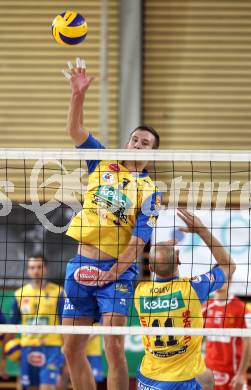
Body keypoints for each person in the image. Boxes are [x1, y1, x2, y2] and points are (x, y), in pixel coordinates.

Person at [61, 57, 161, 390]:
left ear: (153, 154)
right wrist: (78, 95)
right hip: (81, 264)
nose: (138, 145)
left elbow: (138, 241)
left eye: (145, 144)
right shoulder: (103, 159)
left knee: (113, 346)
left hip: (118, 272)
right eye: (135, 139)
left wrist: (113, 272)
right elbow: (75, 131)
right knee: (71, 348)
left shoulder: (150, 192)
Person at [134, 208, 236, 390]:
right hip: (180, 381)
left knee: (207, 377)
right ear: (179, 259)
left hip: (147, 378)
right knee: (206, 377)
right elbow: (229, 266)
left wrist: (160, 250)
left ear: (149, 267)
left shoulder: (140, 292)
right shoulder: (193, 289)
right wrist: (202, 230)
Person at [10, 255, 65, 390]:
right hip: (27, 348)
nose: (36, 271)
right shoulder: (19, 294)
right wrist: (8, 353)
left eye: (39, 267)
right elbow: (11, 326)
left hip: (51, 348)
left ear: (45, 269)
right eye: (32, 267)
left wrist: (65, 350)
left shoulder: (59, 292)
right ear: (28, 270)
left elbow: (65, 324)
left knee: (47, 387)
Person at [203, 280, 250, 390]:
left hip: (233, 373)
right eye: (219, 278)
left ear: (230, 279)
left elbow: (248, 343)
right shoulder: (206, 306)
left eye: (225, 278)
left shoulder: (241, 308)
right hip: (208, 370)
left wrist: (240, 374)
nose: (221, 282)